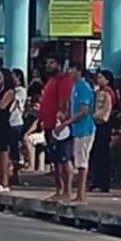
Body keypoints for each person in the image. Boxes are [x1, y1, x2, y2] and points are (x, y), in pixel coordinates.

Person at [56, 65, 95, 204]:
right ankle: (77, 193)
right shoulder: (75, 87)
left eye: (72, 70)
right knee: (78, 159)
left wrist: (67, 123)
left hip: (85, 128)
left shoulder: (84, 87)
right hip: (76, 129)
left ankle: (81, 194)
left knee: (82, 161)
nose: (69, 73)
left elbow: (84, 110)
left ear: (79, 71)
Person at [39, 56, 74, 201]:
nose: (48, 65)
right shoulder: (50, 81)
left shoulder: (64, 80)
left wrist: (62, 119)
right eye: (47, 62)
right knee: (55, 160)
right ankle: (59, 189)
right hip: (48, 124)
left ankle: (67, 190)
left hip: (59, 125)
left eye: (52, 62)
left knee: (64, 158)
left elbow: (65, 101)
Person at [89, 70, 115, 193]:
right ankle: (97, 181)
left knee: (101, 153)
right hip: (98, 123)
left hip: (102, 124)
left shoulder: (106, 93)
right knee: (97, 153)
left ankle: (101, 182)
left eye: (101, 77)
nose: (98, 79)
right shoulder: (98, 92)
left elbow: (105, 111)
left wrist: (93, 116)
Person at [9, 69, 28, 186]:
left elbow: (15, 104)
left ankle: (14, 173)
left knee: (14, 148)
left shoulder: (20, 91)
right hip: (8, 122)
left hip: (16, 121)